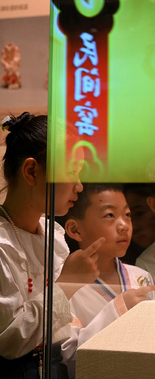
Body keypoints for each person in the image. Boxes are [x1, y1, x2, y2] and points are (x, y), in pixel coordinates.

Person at [0, 112, 99, 378]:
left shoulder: (53, 236)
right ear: (31, 171)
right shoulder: (2, 243)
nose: (79, 186)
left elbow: (63, 327)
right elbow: (8, 342)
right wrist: (66, 284)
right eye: (70, 172)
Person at [60, 184, 155, 376]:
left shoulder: (141, 277)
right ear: (75, 229)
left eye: (127, 215)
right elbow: (72, 357)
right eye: (110, 216)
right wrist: (119, 308)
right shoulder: (66, 284)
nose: (124, 225)